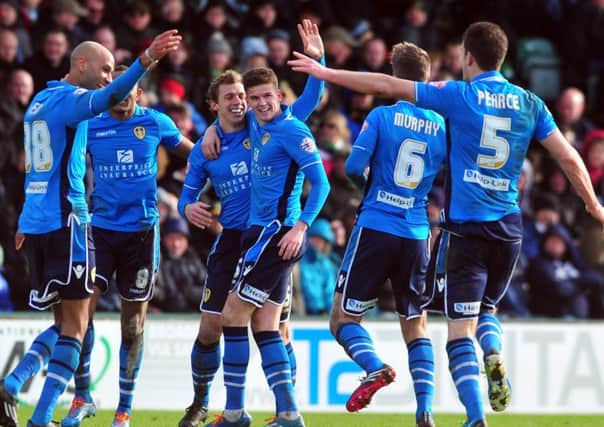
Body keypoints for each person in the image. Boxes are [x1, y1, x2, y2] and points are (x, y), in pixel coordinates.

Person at [289, 21, 604, 427]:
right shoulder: (530, 103)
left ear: (468, 57)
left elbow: (386, 88)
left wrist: (326, 73)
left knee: (456, 330)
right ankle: (481, 360)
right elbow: (569, 157)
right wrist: (593, 204)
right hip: (504, 227)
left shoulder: (458, 96)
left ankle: (474, 417)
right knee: (480, 309)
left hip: (458, 231)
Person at [0, 29, 181, 427]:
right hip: (70, 222)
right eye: (102, 70)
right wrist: (146, 58)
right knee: (76, 327)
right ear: (80, 64)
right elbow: (110, 97)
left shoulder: (37, 102)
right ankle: (37, 409)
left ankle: (20, 382)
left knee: (66, 322)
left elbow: (32, 170)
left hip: (37, 224)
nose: (106, 78)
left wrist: (24, 220)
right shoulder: (72, 101)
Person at [177, 20, 325, 427]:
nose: (243, 102)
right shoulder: (210, 147)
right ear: (215, 105)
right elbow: (188, 195)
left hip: (269, 235)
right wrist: (186, 208)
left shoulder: (268, 125)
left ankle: (278, 410)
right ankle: (204, 401)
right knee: (216, 324)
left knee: (272, 323)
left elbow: (310, 99)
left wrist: (318, 59)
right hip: (234, 240)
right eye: (234, 97)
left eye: (246, 95)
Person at [59, 64, 194, 427]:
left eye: (128, 88)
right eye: (114, 89)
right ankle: (82, 396)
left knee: (132, 325)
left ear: (139, 92)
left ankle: (124, 409)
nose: (120, 95)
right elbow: (63, 159)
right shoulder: (92, 124)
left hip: (141, 234)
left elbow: (196, 156)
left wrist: (196, 194)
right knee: (80, 314)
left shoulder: (156, 123)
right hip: (100, 231)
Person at [328, 42, 445, 427]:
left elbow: (353, 166)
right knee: (415, 324)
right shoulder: (442, 126)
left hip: (377, 225)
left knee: (343, 321)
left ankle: (375, 366)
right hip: (416, 232)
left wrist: (374, 182)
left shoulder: (381, 116)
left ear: (393, 77)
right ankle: (425, 408)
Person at [210, 64, 328, 427]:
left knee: (232, 315)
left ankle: (234, 412)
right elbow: (226, 118)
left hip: (275, 236)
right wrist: (210, 131)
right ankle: (289, 413)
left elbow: (321, 184)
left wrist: (300, 228)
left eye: (266, 96)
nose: (260, 103)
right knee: (265, 325)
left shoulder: (293, 130)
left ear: (280, 96)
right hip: (258, 234)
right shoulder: (259, 125)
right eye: (254, 97)